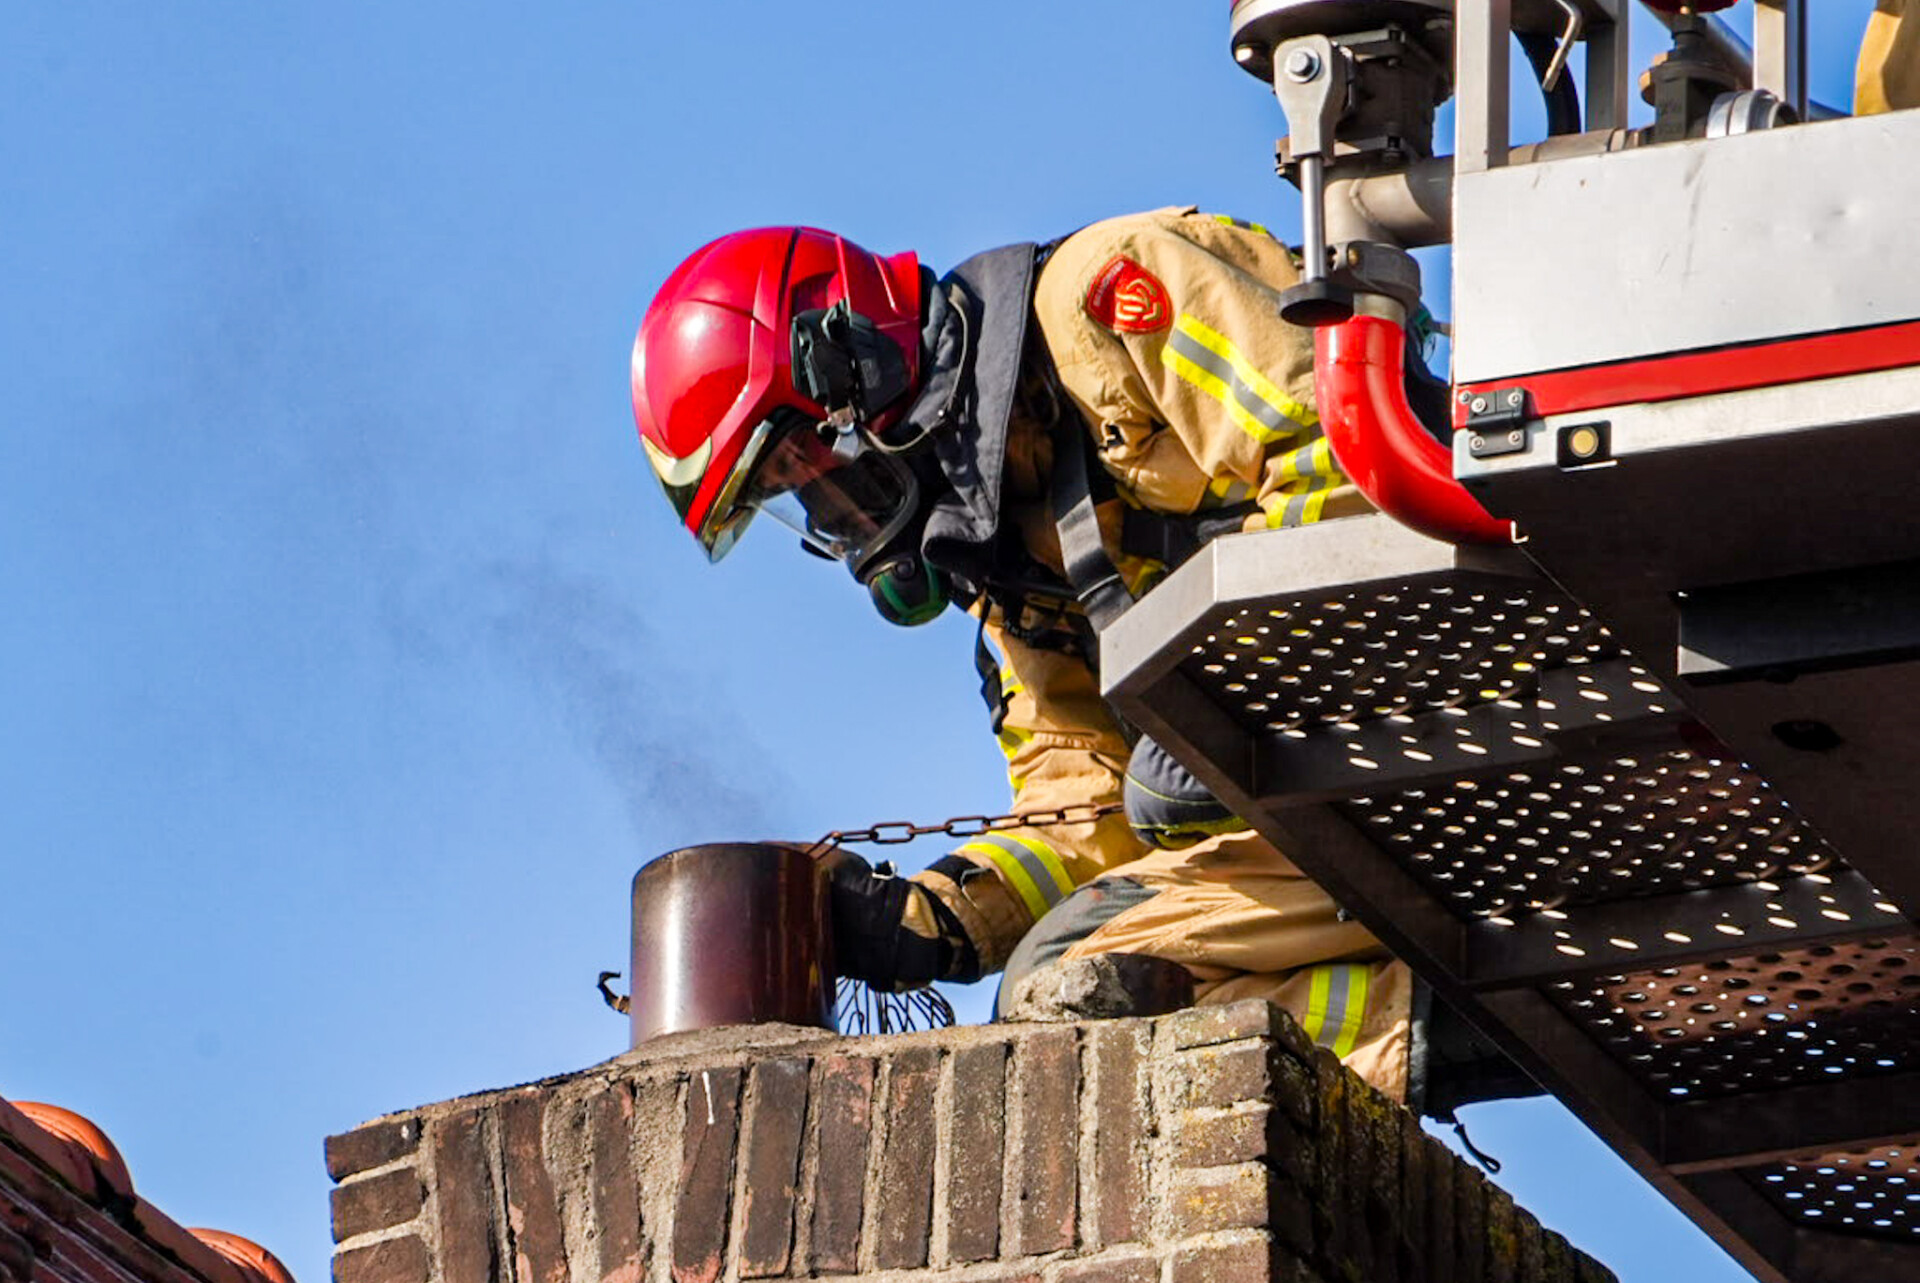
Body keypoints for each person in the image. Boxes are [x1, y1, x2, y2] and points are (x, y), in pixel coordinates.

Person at [629, 208, 1462, 1106]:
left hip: (1448, 677)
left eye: (806, 461)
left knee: (1077, 975)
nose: (836, 515)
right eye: (796, 503)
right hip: (1346, 788)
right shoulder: (1003, 562)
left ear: (855, 359)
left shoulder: (1107, 299)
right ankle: (1455, 1033)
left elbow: (1338, 460)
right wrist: (926, 918)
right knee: (1070, 998)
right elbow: (1086, 806)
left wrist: (1222, 688)